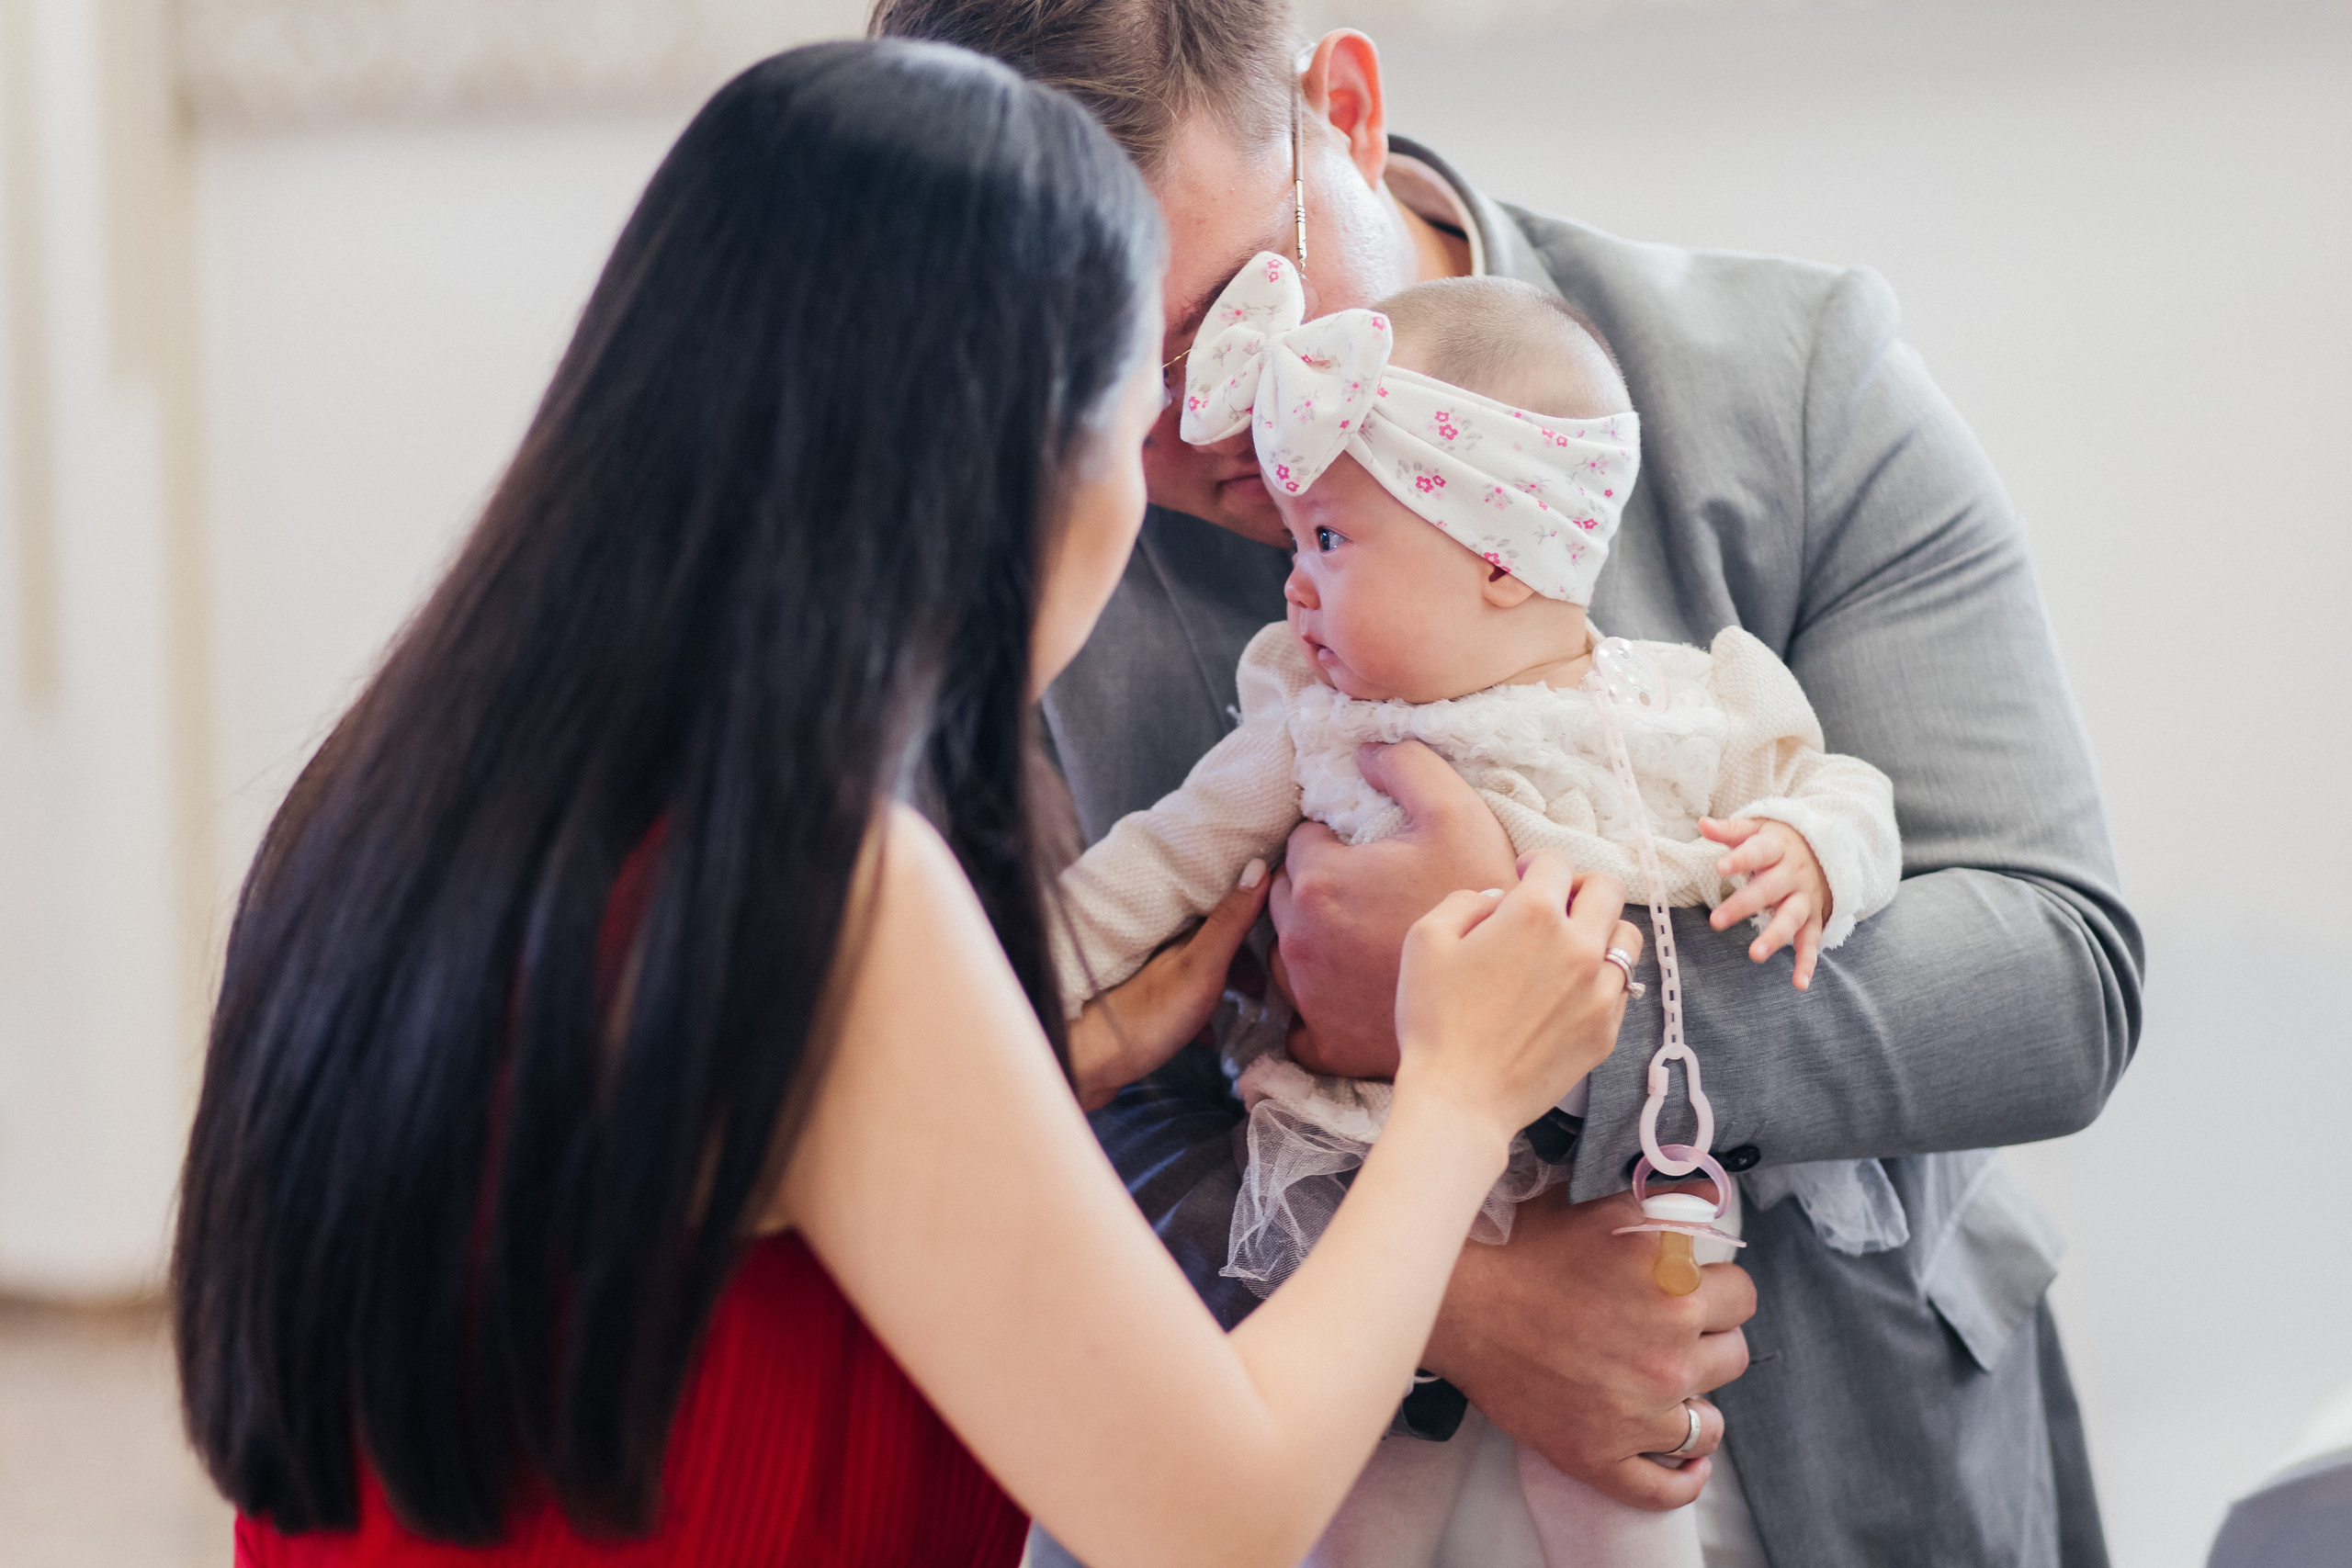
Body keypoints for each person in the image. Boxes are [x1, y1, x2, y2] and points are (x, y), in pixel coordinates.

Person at [170, 40, 1654, 1568]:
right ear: (1019, 448)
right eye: (1136, 395)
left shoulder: (410, 789)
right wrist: (1462, 1096)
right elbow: (1214, 1517)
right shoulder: (831, 897)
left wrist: (1042, 1065)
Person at [866, 3, 2143, 1564]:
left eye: (1217, 324)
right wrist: (1453, 1294)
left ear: (1342, 106)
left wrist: (1522, 986)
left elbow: (2059, 974)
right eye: (1091, 371)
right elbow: (984, 1081)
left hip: (1858, 1466)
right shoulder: (1010, 541)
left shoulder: (1792, 382)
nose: (1183, 430)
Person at [1052, 264, 1905, 1568]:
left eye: (1330, 543)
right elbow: (1156, 864)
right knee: (1356, 1496)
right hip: (1369, 1181)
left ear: (1505, 561)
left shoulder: (1675, 709)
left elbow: (1839, 787)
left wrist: (1813, 849)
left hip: (1628, 1191)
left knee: (1628, 1498)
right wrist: (1022, 989)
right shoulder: (1314, 724)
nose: (1294, 584)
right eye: (1299, 542)